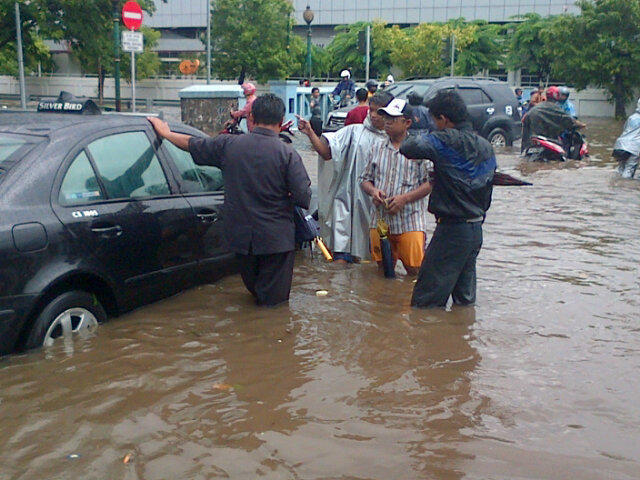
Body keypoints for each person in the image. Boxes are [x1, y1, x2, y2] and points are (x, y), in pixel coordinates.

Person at [148, 94, 311, 306]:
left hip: (241, 240)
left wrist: (166, 133)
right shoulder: (287, 154)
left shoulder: (228, 145)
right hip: (275, 242)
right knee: (274, 306)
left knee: (255, 296)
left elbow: (192, 144)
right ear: (281, 122)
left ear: (251, 117)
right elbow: (303, 196)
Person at [400, 90, 496, 308]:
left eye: (435, 119)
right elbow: (486, 190)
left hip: (451, 231)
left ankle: (429, 342)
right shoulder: (486, 146)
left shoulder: (445, 140)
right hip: (475, 230)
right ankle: (460, 339)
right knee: (464, 302)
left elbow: (408, 147)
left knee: (425, 304)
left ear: (443, 119)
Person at [296, 91, 394, 263]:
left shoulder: (393, 141)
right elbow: (327, 154)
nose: (372, 115)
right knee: (341, 256)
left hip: (377, 206)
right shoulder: (353, 133)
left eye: (378, 112)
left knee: (376, 259)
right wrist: (310, 133)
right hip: (347, 203)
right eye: (370, 110)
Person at [360, 99, 432, 276]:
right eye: (386, 118)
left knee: (415, 271)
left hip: (410, 220)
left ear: (407, 123)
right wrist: (373, 191)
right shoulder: (376, 147)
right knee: (382, 271)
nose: (387, 122)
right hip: (380, 220)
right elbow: (364, 179)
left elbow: (431, 182)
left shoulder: (420, 149)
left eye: (393, 118)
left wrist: (404, 199)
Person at [521, 86, 586, 151]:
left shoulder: (536, 108)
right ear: (557, 96)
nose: (564, 97)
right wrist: (581, 125)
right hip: (549, 139)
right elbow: (568, 120)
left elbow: (524, 124)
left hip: (533, 140)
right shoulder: (555, 108)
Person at [612, 98, 640, 179]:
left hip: (620, 145)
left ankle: (616, 186)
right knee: (629, 169)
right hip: (634, 148)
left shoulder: (632, 117)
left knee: (621, 168)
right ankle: (624, 187)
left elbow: (625, 129)